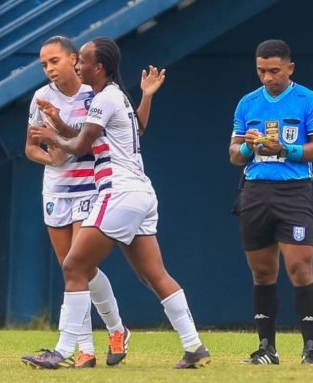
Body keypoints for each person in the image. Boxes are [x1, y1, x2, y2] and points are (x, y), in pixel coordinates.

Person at [27, 37, 211, 369]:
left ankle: (64, 350)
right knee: (153, 274)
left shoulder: (104, 99)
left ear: (98, 67)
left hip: (118, 192)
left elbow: (80, 143)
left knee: (73, 266)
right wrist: (58, 122)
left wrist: (52, 136)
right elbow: (115, 131)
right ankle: (194, 346)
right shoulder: (115, 97)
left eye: (81, 61)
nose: (78, 66)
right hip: (141, 192)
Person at [229, 39, 313, 365]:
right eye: (261, 71)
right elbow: (233, 155)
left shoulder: (308, 100)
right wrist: (248, 147)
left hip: (294, 192)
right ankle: (266, 349)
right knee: (262, 273)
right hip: (255, 193)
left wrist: (285, 150)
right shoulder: (247, 103)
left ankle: (311, 349)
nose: (268, 78)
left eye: (274, 71)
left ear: (290, 67)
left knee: (300, 268)